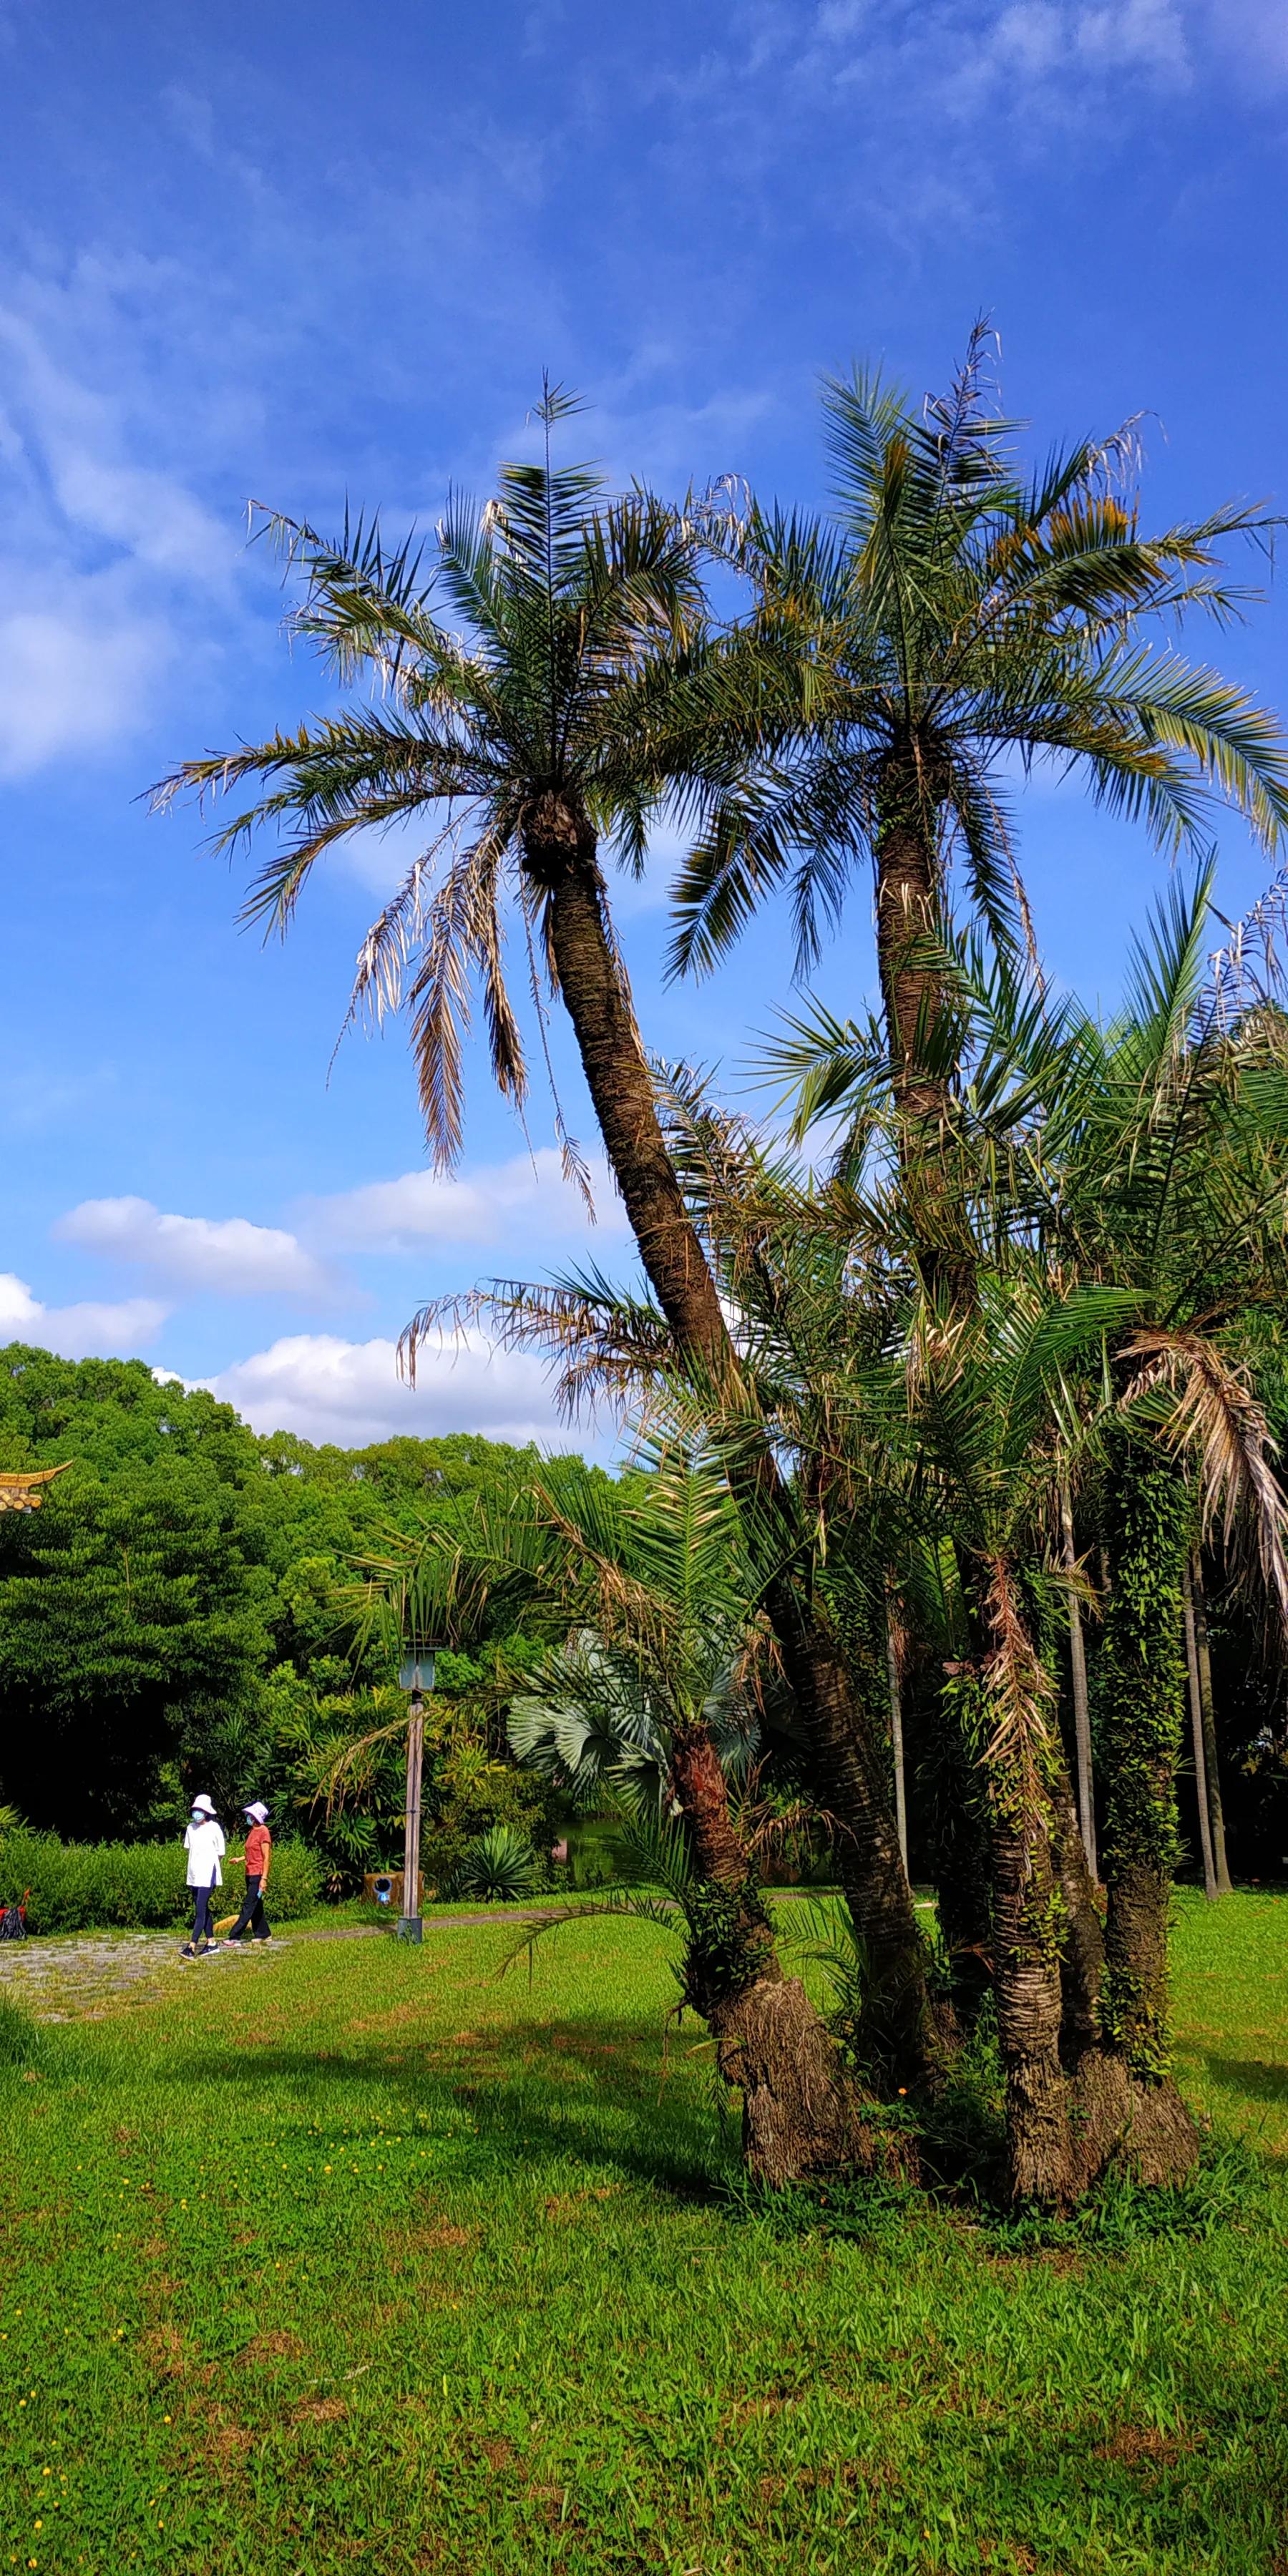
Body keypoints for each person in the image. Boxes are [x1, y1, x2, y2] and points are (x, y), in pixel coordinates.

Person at [181, 1794, 225, 1958]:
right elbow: (190, 1849)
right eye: (195, 1810)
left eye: (200, 1810)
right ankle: (212, 1942)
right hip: (194, 1875)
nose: (197, 1813)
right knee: (203, 1909)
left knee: (200, 1910)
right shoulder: (190, 1828)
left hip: (208, 1875)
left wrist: (210, 1865)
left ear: (206, 1812)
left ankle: (191, 1947)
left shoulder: (214, 1828)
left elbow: (221, 1853)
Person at [227, 1802, 273, 1944]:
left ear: (256, 1817)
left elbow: (266, 1857)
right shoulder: (252, 1832)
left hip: (258, 1874)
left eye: (250, 1815)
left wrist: (264, 1879)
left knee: (249, 1904)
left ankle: (234, 1936)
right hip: (249, 1873)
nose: (248, 1817)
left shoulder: (264, 1831)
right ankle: (263, 1933)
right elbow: (252, 1853)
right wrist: (239, 1859)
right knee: (256, 1906)